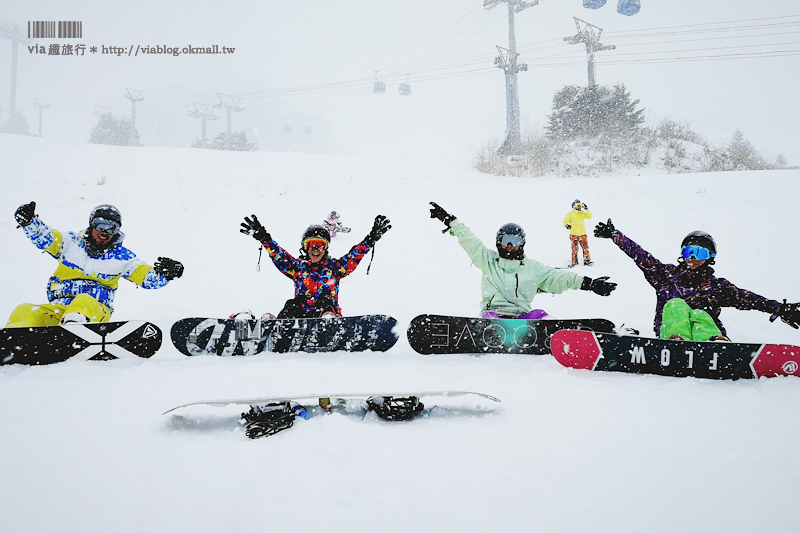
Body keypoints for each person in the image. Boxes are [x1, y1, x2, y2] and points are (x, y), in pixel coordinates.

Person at [593, 219, 800, 340]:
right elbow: (640, 255)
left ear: (710, 257)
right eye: (688, 252)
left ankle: (714, 343)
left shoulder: (717, 286)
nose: (692, 258)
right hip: (670, 332)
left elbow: (748, 298)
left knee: (701, 313)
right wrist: (615, 235)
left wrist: (780, 309)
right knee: (675, 305)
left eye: (699, 253)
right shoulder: (665, 275)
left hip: (707, 335)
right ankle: (676, 340)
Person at [6, 202, 184, 327]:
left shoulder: (123, 258)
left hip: (94, 311)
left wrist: (164, 274)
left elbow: (146, 277)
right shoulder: (70, 243)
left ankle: (75, 330)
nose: (105, 232)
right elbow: (45, 238)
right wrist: (30, 222)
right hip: (60, 309)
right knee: (26, 310)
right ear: (91, 224)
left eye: (111, 228)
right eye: (100, 225)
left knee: (83, 300)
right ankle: (12, 340)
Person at [428, 202, 616, 319]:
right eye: (505, 241)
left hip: (523, 319)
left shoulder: (532, 268)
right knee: (489, 317)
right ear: (498, 242)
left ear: (522, 243)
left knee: (539, 315)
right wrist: (450, 220)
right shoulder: (488, 260)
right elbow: (470, 240)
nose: (510, 246)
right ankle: (487, 328)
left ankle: (550, 333)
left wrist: (589, 284)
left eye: (515, 241)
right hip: (492, 315)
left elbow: (560, 277)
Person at [240, 213, 391, 318]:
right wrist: (264, 238)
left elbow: (355, 255)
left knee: (326, 301)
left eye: (320, 245)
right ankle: (280, 325)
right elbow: (279, 255)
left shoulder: (335, 268)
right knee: (292, 304)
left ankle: (329, 321)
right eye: (311, 245)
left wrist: (371, 239)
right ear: (305, 248)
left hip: (324, 312)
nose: (316, 249)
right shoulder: (297, 268)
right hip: (301, 317)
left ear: (326, 248)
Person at [563, 199, 593, 267]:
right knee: (574, 249)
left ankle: (587, 261)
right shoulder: (570, 214)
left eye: (580, 205)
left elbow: (589, 216)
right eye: (577, 205)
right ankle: (574, 262)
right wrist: (567, 225)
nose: (579, 207)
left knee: (585, 248)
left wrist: (587, 209)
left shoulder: (582, 213)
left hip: (582, 234)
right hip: (574, 234)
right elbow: (565, 221)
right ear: (574, 206)